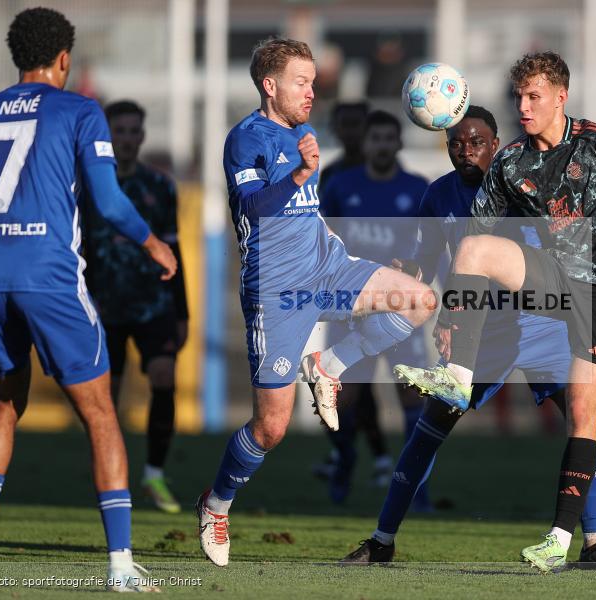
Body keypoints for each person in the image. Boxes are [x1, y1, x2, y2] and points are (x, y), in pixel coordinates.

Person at [395, 52, 596, 572]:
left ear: (560, 97)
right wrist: (453, 316)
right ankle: (458, 375)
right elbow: (476, 233)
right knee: (473, 248)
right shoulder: (510, 162)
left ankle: (564, 540)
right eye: (519, 97)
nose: (523, 107)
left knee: (583, 414)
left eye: (534, 97)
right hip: (554, 275)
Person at [341, 105, 596, 569]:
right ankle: (381, 540)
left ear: (496, 145)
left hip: (544, 324)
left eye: (477, 142)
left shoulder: (523, 184)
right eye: (456, 143)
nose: (466, 151)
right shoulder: (438, 196)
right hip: (482, 336)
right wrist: (409, 272)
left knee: (585, 423)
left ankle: (594, 543)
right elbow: (427, 262)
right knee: (428, 432)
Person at [195, 37, 435, 568]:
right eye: (301, 82)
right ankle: (216, 505)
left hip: (329, 270)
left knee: (418, 300)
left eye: (312, 82)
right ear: (270, 85)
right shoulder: (245, 138)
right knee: (271, 428)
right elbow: (253, 208)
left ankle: (328, 365)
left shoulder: (304, 133)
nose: (311, 92)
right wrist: (301, 174)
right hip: (277, 292)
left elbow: (306, 213)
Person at [0, 7, 176, 591]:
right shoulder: (80, 110)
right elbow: (109, 202)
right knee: (100, 414)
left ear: (18, 56)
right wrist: (154, 244)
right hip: (48, 275)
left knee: (5, 402)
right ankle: (120, 567)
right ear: (64, 58)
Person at [319, 110, 431, 506]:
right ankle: (345, 460)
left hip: (401, 309)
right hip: (353, 307)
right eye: (375, 138)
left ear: (399, 143)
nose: (382, 145)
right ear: (365, 144)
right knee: (340, 396)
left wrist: (418, 272)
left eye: (388, 138)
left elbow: (431, 246)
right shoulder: (340, 186)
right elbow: (323, 239)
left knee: (412, 395)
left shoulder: (417, 189)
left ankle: (417, 489)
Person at [82, 100, 189, 514]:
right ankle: (112, 476)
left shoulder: (159, 186)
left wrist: (182, 312)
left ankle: (154, 473)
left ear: (143, 136)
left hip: (152, 304)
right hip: (103, 307)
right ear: (107, 135)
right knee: (104, 398)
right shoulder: (89, 185)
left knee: (164, 377)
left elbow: (174, 250)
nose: (127, 139)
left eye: (133, 131)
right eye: (120, 131)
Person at [312, 100, 394, 486]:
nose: (350, 132)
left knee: (364, 383)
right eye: (343, 124)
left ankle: (367, 457)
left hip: (387, 294)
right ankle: (357, 455)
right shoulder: (332, 178)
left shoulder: (389, 176)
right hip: (344, 292)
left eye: (356, 125)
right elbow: (320, 232)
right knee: (348, 382)